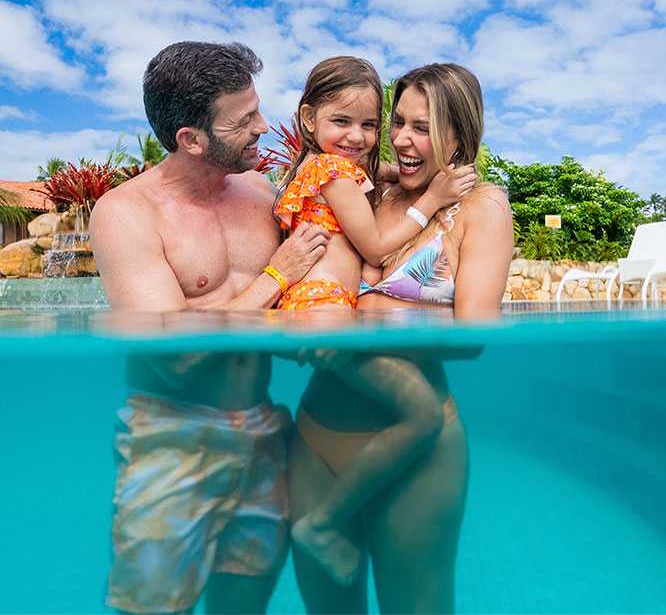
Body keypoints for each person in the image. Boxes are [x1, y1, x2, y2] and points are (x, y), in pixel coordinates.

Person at [89, 41, 330, 615]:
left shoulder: (261, 193)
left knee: (244, 604)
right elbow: (172, 349)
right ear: (191, 140)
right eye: (244, 120)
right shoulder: (126, 213)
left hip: (263, 430)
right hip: (169, 436)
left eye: (257, 109)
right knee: (150, 607)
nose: (263, 127)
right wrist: (276, 277)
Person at [288, 62, 514, 615]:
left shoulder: (481, 207)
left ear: (460, 133)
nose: (405, 141)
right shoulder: (368, 191)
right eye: (399, 123)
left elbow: (471, 339)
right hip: (317, 437)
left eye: (425, 127)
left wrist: (360, 328)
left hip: (422, 446)